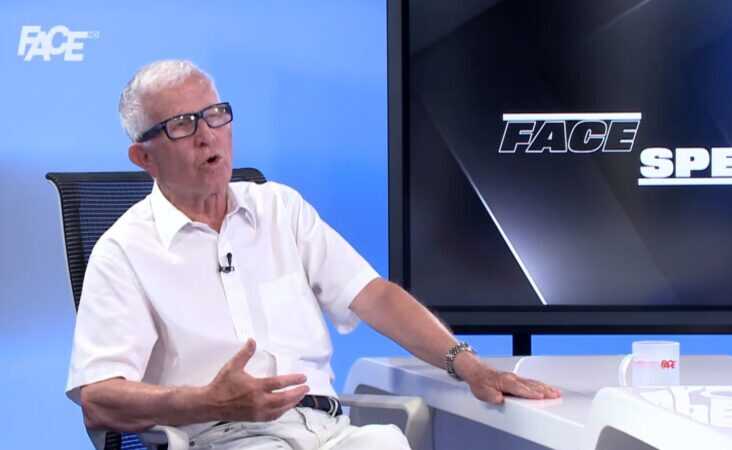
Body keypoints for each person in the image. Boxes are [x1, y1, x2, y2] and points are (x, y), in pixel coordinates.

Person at [66, 60, 560, 450]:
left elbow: (374, 296)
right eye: (181, 124)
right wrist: (208, 401)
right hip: (225, 438)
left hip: (332, 432)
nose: (206, 134)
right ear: (143, 157)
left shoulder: (280, 208)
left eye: (214, 114)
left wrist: (469, 366)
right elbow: (98, 399)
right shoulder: (124, 251)